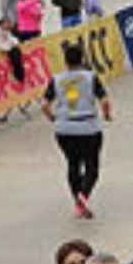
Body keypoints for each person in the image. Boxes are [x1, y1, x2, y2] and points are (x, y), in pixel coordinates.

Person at [42, 42, 113, 219]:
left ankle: (77, 200)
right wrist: (106, 115)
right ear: (82, 59)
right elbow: (104, 100)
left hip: (64, 128)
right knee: (92, 166)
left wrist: (53, 117)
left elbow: (44, 104)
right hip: (88, 127)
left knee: (73, 164)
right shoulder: (91, 77)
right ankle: (83, 196)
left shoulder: (57, 79)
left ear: (65, 61)